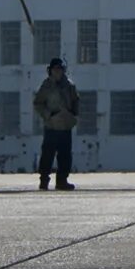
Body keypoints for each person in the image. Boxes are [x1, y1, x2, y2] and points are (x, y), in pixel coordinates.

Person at [34, 57, 80, 190]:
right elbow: (38, 103)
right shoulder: (46, 86)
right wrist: (48, 115)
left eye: (60, 69)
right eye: (55, 69)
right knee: (47, 155)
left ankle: (62, 180)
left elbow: (76, 100)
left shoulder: (69, 85)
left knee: (65, 155)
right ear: (50, 71)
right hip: (52, 126)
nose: (57, 72)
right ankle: (44, 180)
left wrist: (73, 115)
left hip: (65, 126)